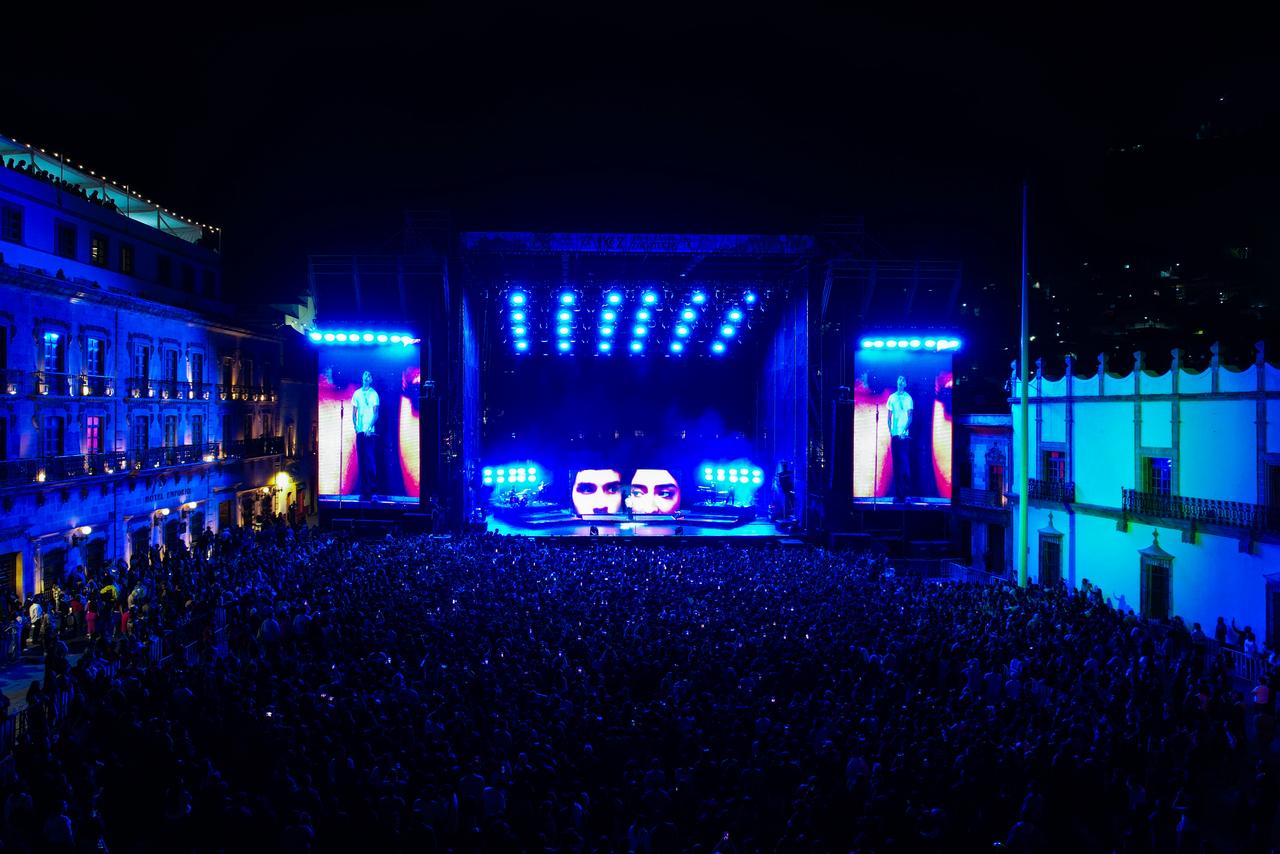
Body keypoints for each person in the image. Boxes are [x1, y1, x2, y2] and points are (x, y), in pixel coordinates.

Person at [351, 370, 380, 502]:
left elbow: (376, 414)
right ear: (362, 377)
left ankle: (373, 492)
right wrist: (355, 426)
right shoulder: (356, 393)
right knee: (361, 461)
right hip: (360, 432)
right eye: (365, 375)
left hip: (370, 432)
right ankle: (364, 492)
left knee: (371, 462)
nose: (366, 377)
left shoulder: (374, 394)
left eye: (369, 375)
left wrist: (369, 427)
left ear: (371, 379)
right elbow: (354, 413)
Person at [886, 375, 913, 502]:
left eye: (903, 381)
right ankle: (898, 494)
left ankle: (906, 493)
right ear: (897, 382)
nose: (900, 382)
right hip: (895, 435)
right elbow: (889, 417)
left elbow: (910, 417)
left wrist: (903, 431)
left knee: (905, 464)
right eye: (899, 380)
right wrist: (891, 431)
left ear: (905, 384)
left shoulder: (908, 398)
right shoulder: (891, 398)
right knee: (896, 464)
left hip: (904, 436)